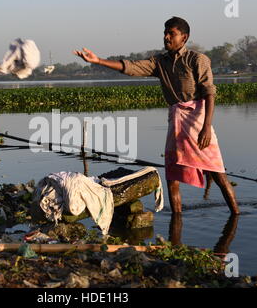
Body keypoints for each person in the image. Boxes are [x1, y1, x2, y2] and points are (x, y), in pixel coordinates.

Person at [74, 16, 240, 214]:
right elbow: (132, 67)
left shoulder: (197, 59)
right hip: (176, 124)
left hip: (198, 123)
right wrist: (98, 60)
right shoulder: (159, 62)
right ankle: (176, 221)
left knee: (219, 175)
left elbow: (209, 93)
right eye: (165, 33)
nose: (166, 37)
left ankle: (236, 215)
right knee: (172, 179)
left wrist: (206, 127)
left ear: (184, 37)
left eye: (172, 33)